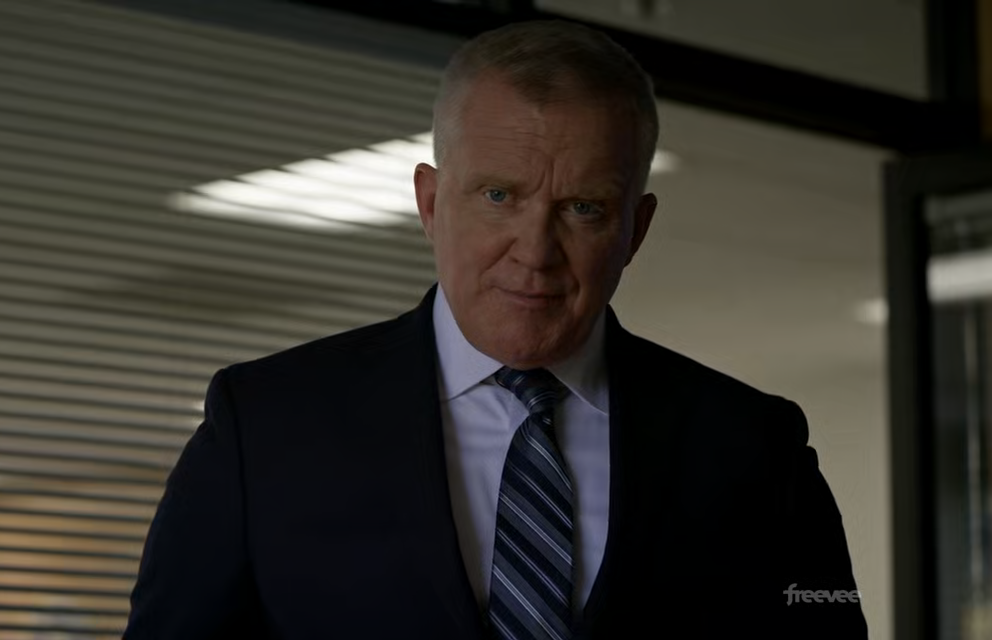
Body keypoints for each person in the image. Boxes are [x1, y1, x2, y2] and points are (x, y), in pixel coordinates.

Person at [123, 19, 866, 640]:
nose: (535, 251)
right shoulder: (265, 427)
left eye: (583, 208)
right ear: (430, 203)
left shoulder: (753, 449)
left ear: (635, 231)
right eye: (499, 196)